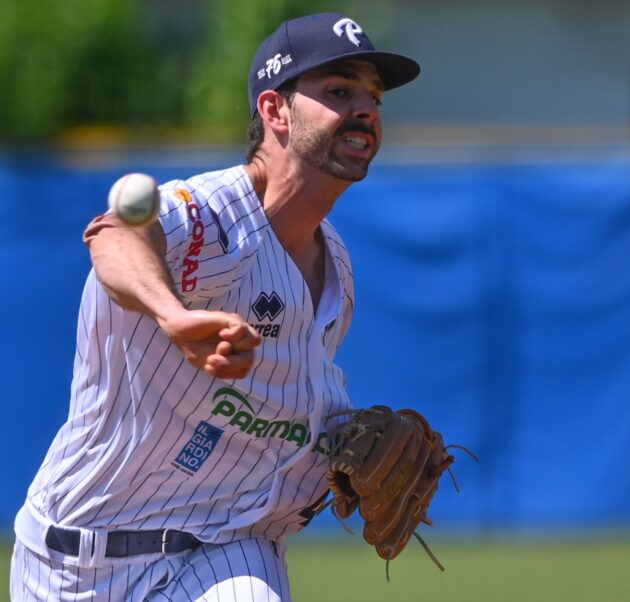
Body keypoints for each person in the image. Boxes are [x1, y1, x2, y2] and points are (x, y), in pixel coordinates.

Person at [11, 12, 419, 601]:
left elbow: (280, 400)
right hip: (73, 562)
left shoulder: (337, 270)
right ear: (275, 110)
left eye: (374, 97)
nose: (366, 109)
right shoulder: (216, 216)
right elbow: (117, 235)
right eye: (338, 91)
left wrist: (337, 440)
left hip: (226, 553)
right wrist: (172, 315)